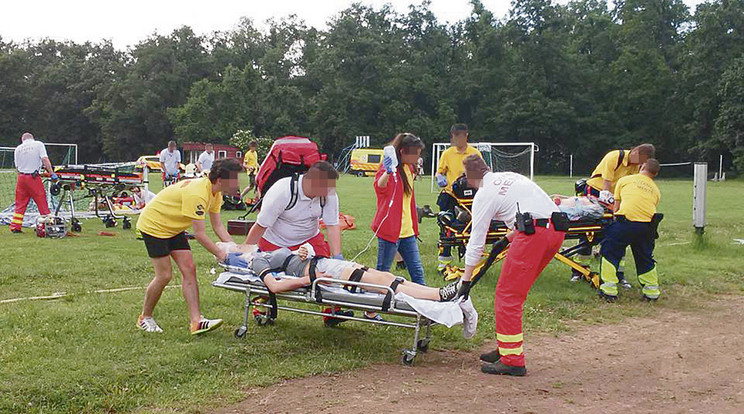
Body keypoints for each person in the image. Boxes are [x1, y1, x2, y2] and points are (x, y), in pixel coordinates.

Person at [456, 155, 565, 376]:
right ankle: (507, 346)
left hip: (534, 234)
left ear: (468, 178)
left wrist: (465, 280)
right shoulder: (509, 177)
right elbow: (533, 209)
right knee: (516, 293)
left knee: (508, 295)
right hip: (556, 231)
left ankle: (513, 360)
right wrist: (507, 239)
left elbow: (476, 242)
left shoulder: (483, 195)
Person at [136, 158, 242, 335]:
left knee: (189, 269)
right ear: (220, 180)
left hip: (173, 228)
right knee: (164, 275)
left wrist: (234, 250)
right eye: (234, 178)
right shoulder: (198, 194)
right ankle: (144, 318)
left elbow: (218, 226)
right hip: (154, 226)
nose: (237, 183)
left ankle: (196, 322)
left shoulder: (216, 193)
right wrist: (221, 255)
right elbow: (199, 234)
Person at [242, 161, 348, 326]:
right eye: (326, 188)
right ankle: (261, 303)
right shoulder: (282, 191)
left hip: (310, 239)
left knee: (326, 271)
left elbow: (332, 225)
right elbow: (260, 226)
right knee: (277, 276)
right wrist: (246, 252)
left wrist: (337, 256)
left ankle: (331, 311)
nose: (329, 192)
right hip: (275, 241)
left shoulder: (329, 193)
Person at [572, 144, 656, 284]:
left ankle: (618, 274)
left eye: (643, 162)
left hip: (615, 197)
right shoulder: (614, 157)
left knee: (619, 232)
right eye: (640, 160)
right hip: (597, 193)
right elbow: (606, 186)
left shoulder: (636, 166)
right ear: (634, 151)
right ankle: (579, 270)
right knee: (588, 232)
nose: (639, 164)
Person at [599, 159, 662, 302]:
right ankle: (651, 292)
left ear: (642, 166)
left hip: (626, 222)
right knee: (645, 257)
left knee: (610, 251)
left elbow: (616, 208)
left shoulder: (625, 180)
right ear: (655, 173)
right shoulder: (656, 190)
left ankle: (608, 291)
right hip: (647, 227)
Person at [372, 133, 426, 286]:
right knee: (382, 273)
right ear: (403, 152)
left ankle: (425, 306)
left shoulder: (409, 169)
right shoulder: (389, 168)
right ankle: (371, 309)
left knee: (417, 272)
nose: (417, 158)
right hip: (390, 231)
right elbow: (379, 187)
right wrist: (388, 172)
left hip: (408, 232)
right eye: (415, 154)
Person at [435, 124, 482, 271]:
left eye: (462, 137)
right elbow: (439, 172)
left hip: (470, 197)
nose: (459, 140)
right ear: (452, 137)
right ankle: (444, 261)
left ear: (466, 136)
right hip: (451, 195)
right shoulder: (447, 154)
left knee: (471, 228)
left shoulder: (474, 153)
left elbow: (481, 174)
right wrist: (439, 177)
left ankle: (472, 260)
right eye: (456, 137)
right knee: (447, 226)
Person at [10, 132, 56, 233]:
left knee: (20, 203)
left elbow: (17, 166)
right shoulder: (38, 144)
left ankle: (15, 227)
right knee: (41, 200)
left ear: (23, 140)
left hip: (21, 178)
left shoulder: (18, 149)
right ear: (32, 138)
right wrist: (51, 172)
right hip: (33, 178)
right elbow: (44, 159)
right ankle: (48, 223)